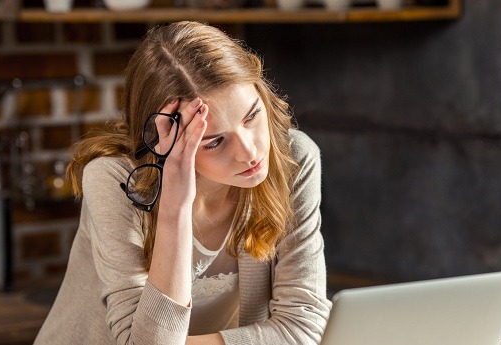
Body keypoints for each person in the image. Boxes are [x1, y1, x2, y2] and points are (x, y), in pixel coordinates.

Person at [34, 21, 331, 345]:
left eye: (251, 116)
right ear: (163, 139)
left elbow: (300, 328)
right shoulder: (112, 181)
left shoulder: (292, 160)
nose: (249, 152)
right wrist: (175, 204)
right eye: (214, 141)